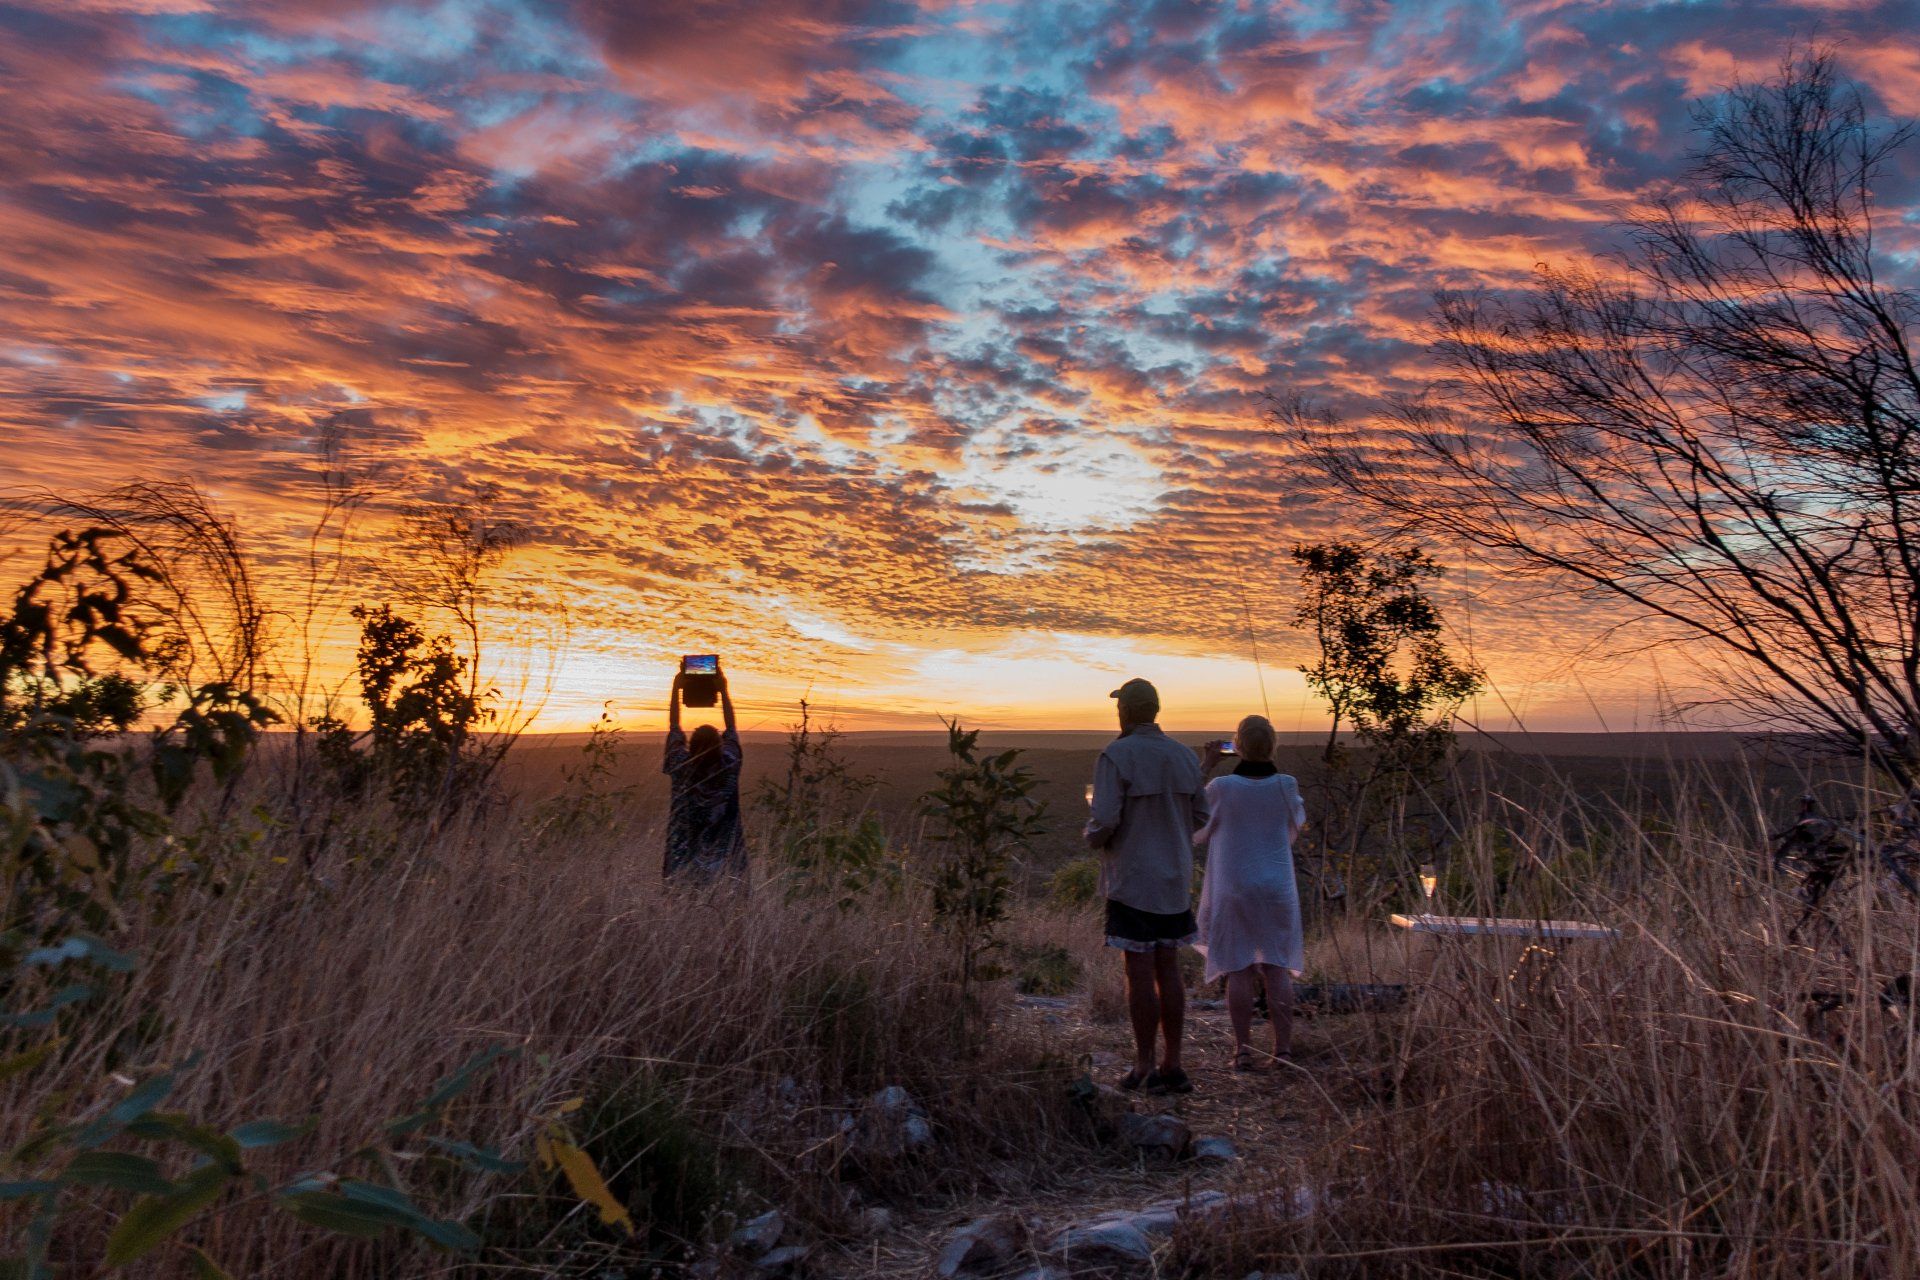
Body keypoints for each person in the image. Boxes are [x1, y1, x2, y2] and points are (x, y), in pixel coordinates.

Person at [1084, 677, 1210, 1094]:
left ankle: (1142, 1066)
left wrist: (1093, 839)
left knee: (1138, 973)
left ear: (1125, 711)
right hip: (1174, 877)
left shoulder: (1116, 755)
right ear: (1155, 710)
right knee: (1168, 967)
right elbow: (1200, 815)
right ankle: (1173, 1064)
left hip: (1133, 879)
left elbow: (1104, 818)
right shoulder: (1184, 756)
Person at [1192, 714, 1307, 1071]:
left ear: (1236, 746)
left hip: (1234, 886)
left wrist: (1206, 766)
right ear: (1272, 745)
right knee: (1277, 967)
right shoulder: (1287, 786)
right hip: (1277, 888)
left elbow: (1194, 825)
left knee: (1238, 969)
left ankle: (1243, 1050)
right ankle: (1283, 1051)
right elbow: (1296, 825)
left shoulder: (1221, 788)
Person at [663, 662, 744, 881]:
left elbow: (674, 727)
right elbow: (732, 729)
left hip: (683, 856)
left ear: (691, 747)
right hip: (725, 857)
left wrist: (676, 689)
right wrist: (723, 691)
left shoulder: (681, 765)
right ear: (720, 745)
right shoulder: (729, 764)